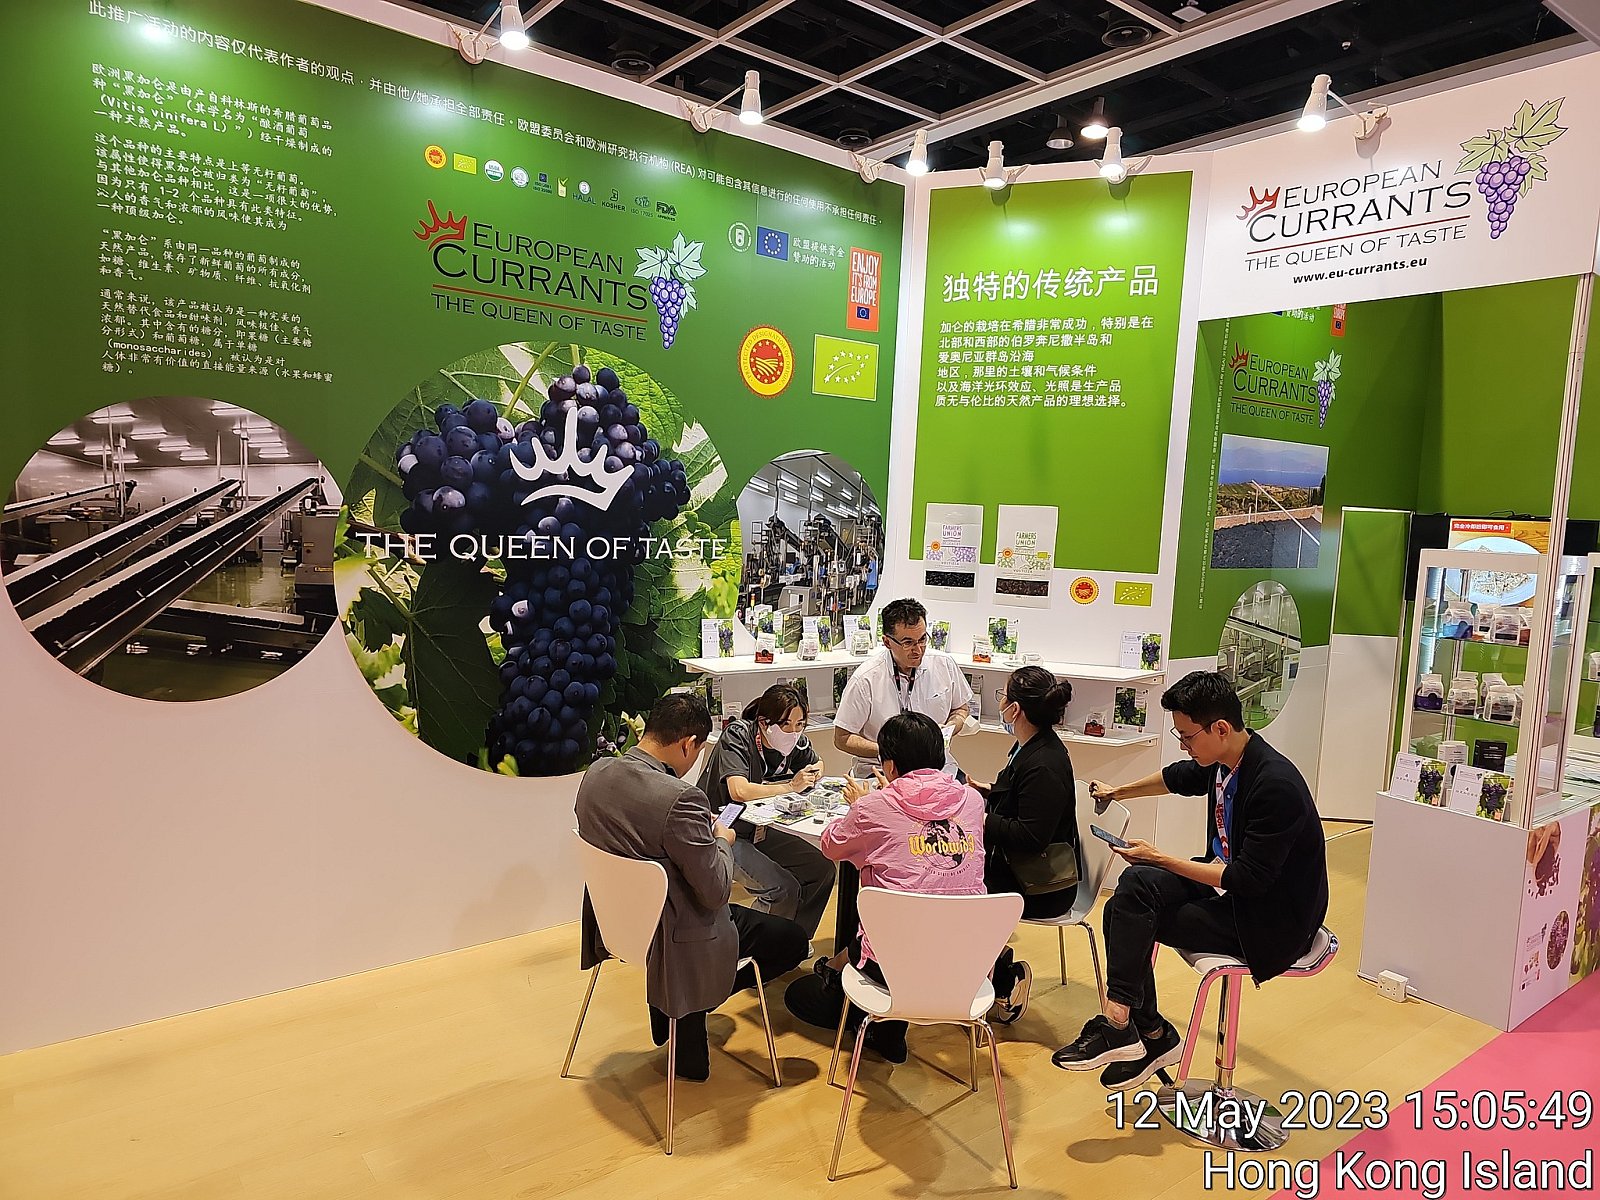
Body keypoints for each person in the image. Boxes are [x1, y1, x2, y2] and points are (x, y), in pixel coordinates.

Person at [1050, 671, 1329, 1092]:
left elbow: (1248, 879)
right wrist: (1116, 792)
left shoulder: (1275, 785)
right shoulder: (1224, 762)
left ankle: (1135, 1030)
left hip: (1269, 922)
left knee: (1130, 914)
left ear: (1221, 728)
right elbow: (1176, 778)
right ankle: (1135, 1027)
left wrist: (1161, 857)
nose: (1183, 745)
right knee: (1132, 892)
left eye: (1187, 736)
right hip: (1230, 889)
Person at [577, 692, 809, 1082]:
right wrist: (722, 840)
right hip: (676, 931)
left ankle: (680, 1002)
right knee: (792, 941)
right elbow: (716, 891)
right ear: (688, 744)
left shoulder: (597, 773)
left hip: (615, 920)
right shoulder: (680, 799)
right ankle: (693, 996)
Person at [784, 712, 987, 1062]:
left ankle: (857, 1006)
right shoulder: (972, 800)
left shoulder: (873, 807)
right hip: (966, 962)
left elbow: (831, 846)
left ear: (889, 765)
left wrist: (860, 805)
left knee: (805, 991)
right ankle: (882, 1024)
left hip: (892, 964)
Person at [970, 665, 1078, 1025]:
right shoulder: (1028, 748)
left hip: (1041, 885)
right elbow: (1018, 802)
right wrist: (984, 792)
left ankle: (1002, 978)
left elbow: (1032, 836)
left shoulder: (1044, 763)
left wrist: (979, 818)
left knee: (956, 888)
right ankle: (986, 972)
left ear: (1015, 709)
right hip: (1016, 868)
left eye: (1003, 696)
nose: (1000, 702)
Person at [697, 684, 836, 940]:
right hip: (722, 830)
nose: (793, 732)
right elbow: (739, 790)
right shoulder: (738, 735)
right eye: (786, 724)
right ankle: (752, 949)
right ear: (764, 723)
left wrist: (813, 773)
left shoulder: (795, 741)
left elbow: (817, 762)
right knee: (782, 889)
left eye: (800, 724)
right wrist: (790, 786)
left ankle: (794, 942)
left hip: (759, 827)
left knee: (821, 870)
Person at [833, 596, 973, 779]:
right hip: (883, 771)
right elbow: (842, 738)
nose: (918, 649)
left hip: (938, 769)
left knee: (969, 794)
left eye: (922, 639)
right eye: (908, 643)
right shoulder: (865, 679)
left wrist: (948, 729)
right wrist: (888, 751)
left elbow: (961, 709)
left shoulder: (944, 665)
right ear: (887, 642)